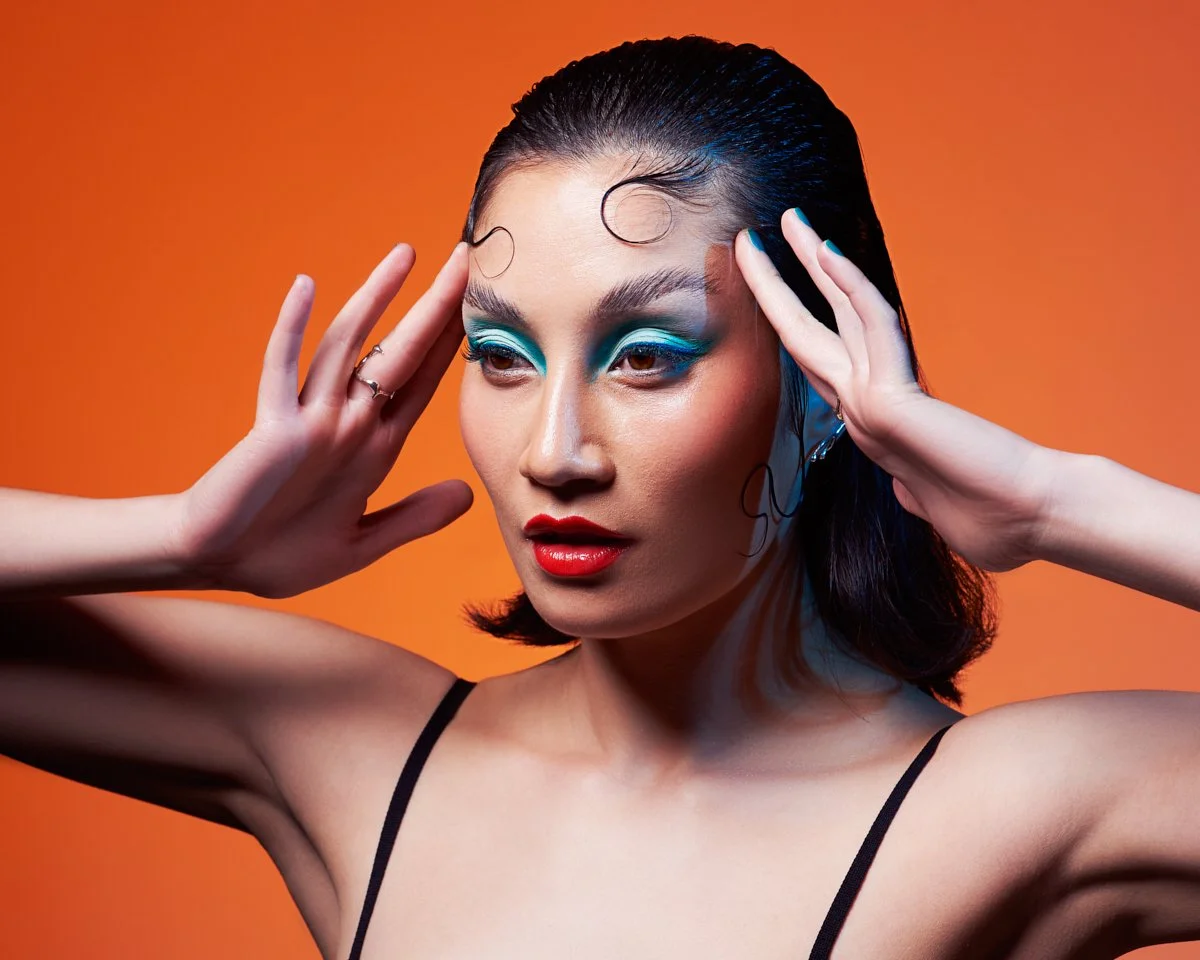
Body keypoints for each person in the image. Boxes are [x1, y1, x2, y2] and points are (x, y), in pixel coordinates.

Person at [2, 34, 1198, 960]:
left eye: (646, 356)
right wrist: (178, 537)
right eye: (505, 356)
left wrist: (1056, 503)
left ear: (825, 382)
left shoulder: (1007, 809)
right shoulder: (362, 751)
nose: (555, 451)